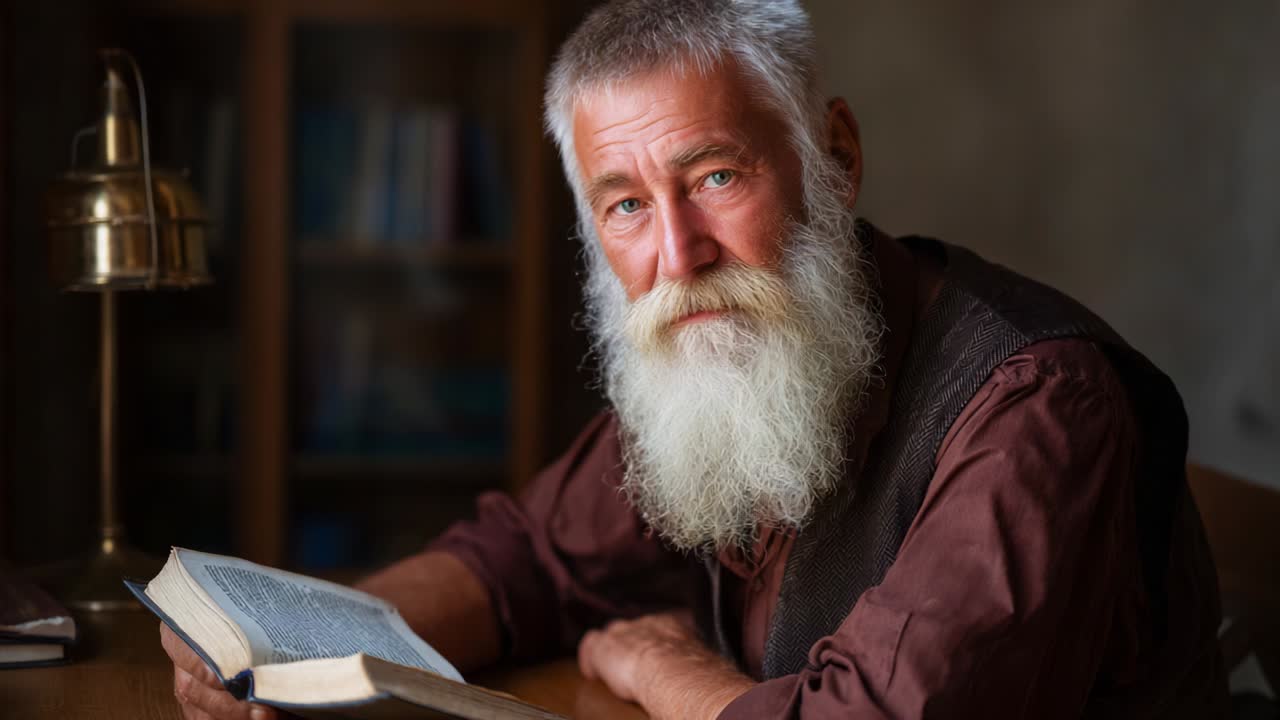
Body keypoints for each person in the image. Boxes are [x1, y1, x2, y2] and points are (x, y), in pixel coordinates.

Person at [160, 1, 1229, 718]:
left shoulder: (1035, 402)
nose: (678, 257)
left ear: (835, 157)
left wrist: (669, 672)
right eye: (625, 206)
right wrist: (287, 646)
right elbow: (527, 556)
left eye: (716, 177)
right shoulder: (723, 355)